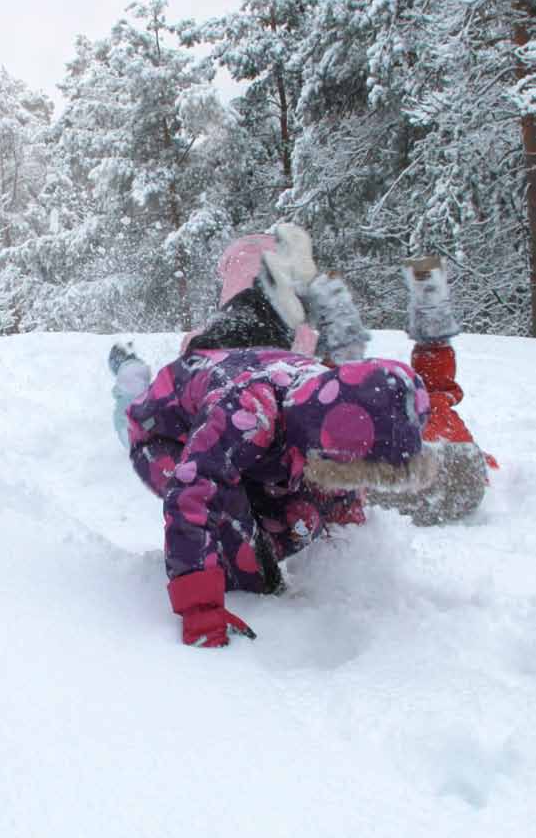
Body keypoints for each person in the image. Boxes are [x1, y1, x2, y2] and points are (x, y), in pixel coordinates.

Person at [111, 224, 434, 647]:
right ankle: (130, 382)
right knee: (236, 534)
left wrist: (346, 542)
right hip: (166, 432)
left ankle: (260, 521)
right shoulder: (249, 412)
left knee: (304, 511)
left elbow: (341, 491)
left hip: (239, 406)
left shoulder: (321, 402)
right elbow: (193, 492)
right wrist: (200, 605)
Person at [366, 256, 494, 526]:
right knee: (433, 394)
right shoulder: (433, 409)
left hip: (413, 474)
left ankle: (431, 309)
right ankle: (431, 309)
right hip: (455, 471)